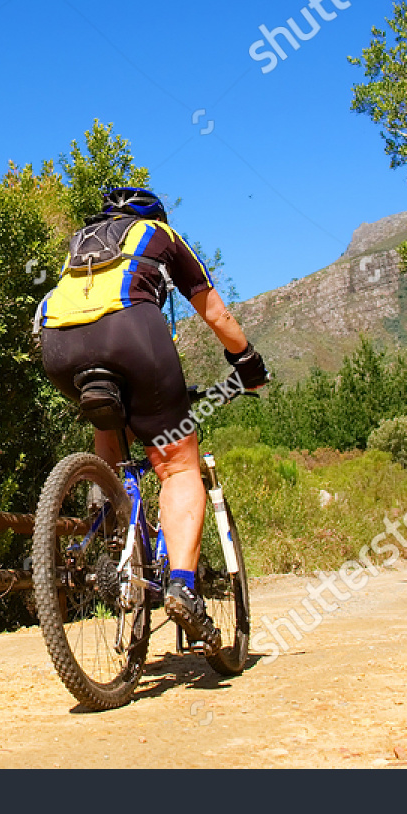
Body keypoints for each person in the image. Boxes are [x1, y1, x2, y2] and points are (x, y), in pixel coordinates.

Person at [37, 186, 268, 649]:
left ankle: (109, 519)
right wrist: (248, 364)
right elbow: (214, 311)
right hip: (131, 331)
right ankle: (182, 587)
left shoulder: (82, 241)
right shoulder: (162, 235)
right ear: (155, 214)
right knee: (177, 466)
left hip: (55, 343)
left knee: (111, 425)